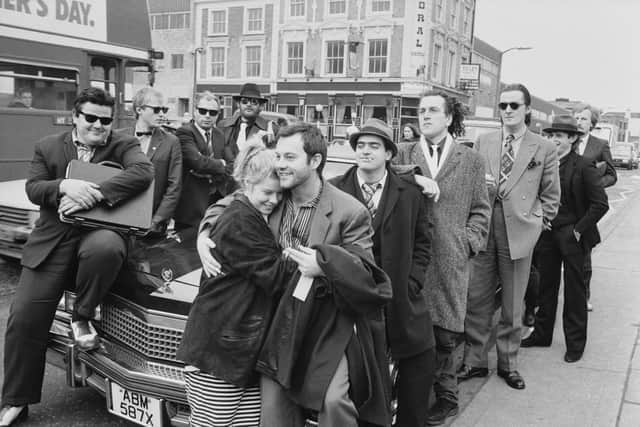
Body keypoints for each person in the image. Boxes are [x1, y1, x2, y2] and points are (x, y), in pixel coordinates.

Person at [198, 123, 392, 427]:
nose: (280, 164)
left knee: (333, 401)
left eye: (289, 157)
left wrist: (325, 265)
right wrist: (205, 231)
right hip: (278, 320)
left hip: (327, 321)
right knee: (274, 404)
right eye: (278, 156)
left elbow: (364, 271)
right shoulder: (275, 193)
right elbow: (235, 201)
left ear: (314, 162)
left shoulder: (349, 211)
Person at [0, 87, 153, 426]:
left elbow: (144, 173)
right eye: (91, 118)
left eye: (106, 120)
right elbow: (34, 188)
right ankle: (15, 401)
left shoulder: (124, 144)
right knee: (24, 317)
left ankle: (81, 316)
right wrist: (65, 187)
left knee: (108, 246)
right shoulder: (49, 146)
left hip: (96, 238)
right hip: (52, 244)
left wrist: (93, 194)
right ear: (75, 117)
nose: (99, 125)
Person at [177, 145, 295, 427]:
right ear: (246, 183)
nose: (274, 200)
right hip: (219, 353)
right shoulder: (241, 220)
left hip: (229, 351)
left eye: (279, 194)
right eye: (267, 192)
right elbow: (278, 277)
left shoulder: (247, 213)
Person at [392, 91, 491, 426]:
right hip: (410, 256)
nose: (425, 116)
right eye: (422, 111)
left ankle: (447, 399)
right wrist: (415, 176)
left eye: (433, 110)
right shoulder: (405, 152)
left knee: (446, 333)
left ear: (449, 118)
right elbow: (385, 173)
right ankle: (408, 395)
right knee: (411, 329)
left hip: (451, 257)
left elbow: (481, 209)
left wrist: (469, 242)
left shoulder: (472, 160)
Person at [330, 118, 436, 427]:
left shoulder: (409, 191)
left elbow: (423, 242)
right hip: (352, 302)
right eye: (360, 145)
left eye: (374, 146)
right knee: (364, 383)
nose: (365, 151)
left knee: (419, 360)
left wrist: (413, 282)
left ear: (389, 154)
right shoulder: (336, 189)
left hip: (400, 298)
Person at [459, 83, 560, 390]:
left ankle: (508, 365)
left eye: (514, 105)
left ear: (527, 109)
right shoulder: (485, 141)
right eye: (503, 106)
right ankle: (474, 362)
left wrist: (535, 227)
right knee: (476, 301)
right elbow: (473, 185)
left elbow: (552, 197)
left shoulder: (543, 147)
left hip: (519, 234)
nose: (507, 111)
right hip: (485, 228)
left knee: (513, 305)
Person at [521, 115, 608, 362]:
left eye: (559, 136)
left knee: (575, 291)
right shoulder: (544, 164)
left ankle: (575, 344)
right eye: (551, 136)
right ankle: (541, 334)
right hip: (548, 234)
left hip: (573, 235)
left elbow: (600, 204)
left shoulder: (584, 165)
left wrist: (578, 230)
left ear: (572, 139)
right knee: (546, 288)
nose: (554, 140)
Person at [116, 87, 182, 236]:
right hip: (118, 215)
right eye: (156, 110)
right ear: (139, 110)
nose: (162, 114)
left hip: (152, 223)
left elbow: (174, 186)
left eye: (164, 110)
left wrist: (157, 220)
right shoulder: (119, 137)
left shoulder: (171, 141)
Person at [573, 103, 617, 311]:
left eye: (583, 119)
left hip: (587, 207)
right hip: (566, 207)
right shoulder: (566, 141)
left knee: (584, 258)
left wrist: (596, 185)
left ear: (592, 124)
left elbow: (612, 175)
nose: (579, 122)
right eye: (577, 118)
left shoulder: (599, 146)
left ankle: (584, 296)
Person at [173, 91, 230, 230]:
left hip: (216, 205)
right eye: (203, 111)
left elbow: (233, 164)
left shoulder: (219, 135)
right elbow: (197, 162)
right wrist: (220, 164)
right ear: (195, 111)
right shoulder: (184, 132)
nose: (207, 116)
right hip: (191, 208)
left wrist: (211, 167)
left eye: (213, 112)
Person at [218, 83, 278, 152]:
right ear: (238, 104)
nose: (249, 105)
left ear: (261, 106)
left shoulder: (271, 129)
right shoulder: (223, 125)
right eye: (244, 101)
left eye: (254, 102)